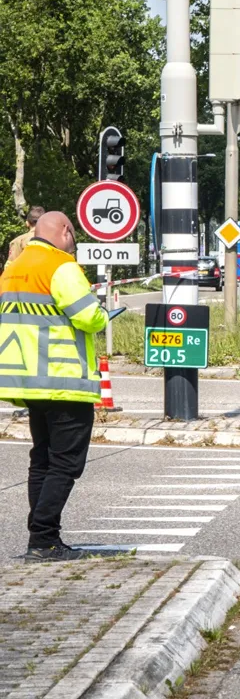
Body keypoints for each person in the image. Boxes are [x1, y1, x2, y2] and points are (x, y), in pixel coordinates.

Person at [0, 211, 108, 561]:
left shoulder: (13, 268)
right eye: (73, 234)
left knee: (42, 461)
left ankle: (42, 537)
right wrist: (101, 310)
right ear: (64, 231)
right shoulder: (61, 267)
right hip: (63, 381)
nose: (73, 242)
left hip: (29, 381)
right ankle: (43, 539)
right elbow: (88, 317)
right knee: (65, 464)